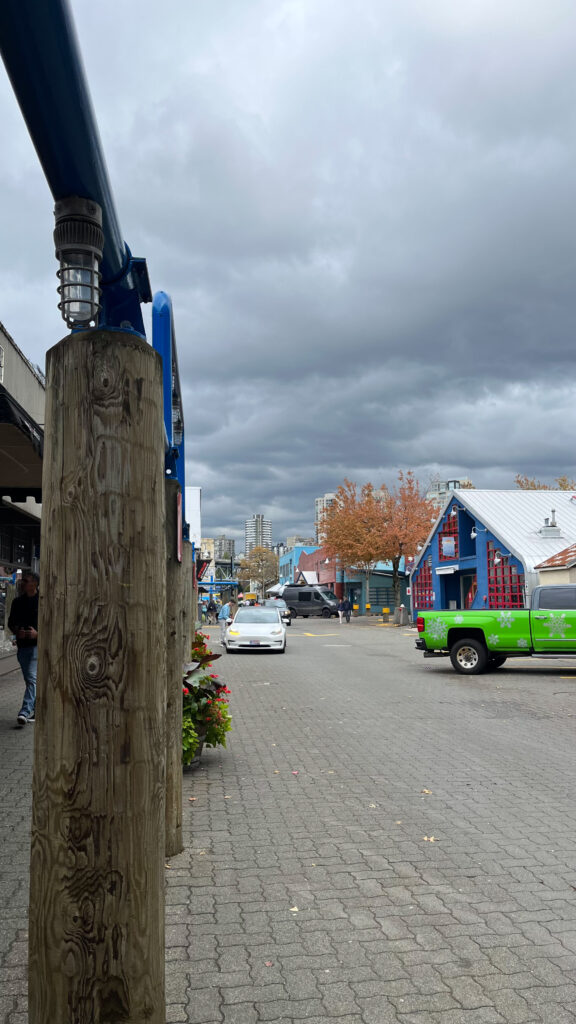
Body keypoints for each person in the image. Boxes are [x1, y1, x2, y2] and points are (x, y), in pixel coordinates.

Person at [8, 571, 39, 727]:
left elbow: (52, 625)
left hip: (36, 646)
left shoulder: (43, 602)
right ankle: (36, 708)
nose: (23, 583)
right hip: (22, 646)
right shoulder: (17, 602)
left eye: (25, 580)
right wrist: (16, 631)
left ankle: (24, 712)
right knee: (29, 679)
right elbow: (10, 622)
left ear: (34, 583)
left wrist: (37, 634)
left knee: (32, 678)